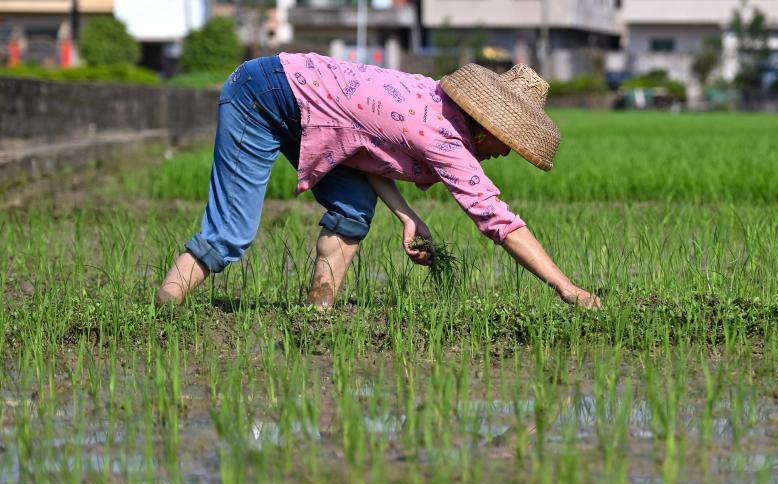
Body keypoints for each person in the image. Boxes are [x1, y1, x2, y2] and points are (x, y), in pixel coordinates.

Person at [155, 53, 600, 310]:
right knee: (231, 233)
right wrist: (567, 288)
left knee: (352, 207)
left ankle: (316, 315)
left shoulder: (434, 98)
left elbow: (365, 144)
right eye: (509, 142)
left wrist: (406, 215)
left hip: (292, 97)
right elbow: (497, 220)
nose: (506, 152)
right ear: (489, 126)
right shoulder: (443, 136)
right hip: (261, 94)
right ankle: (164, 313)